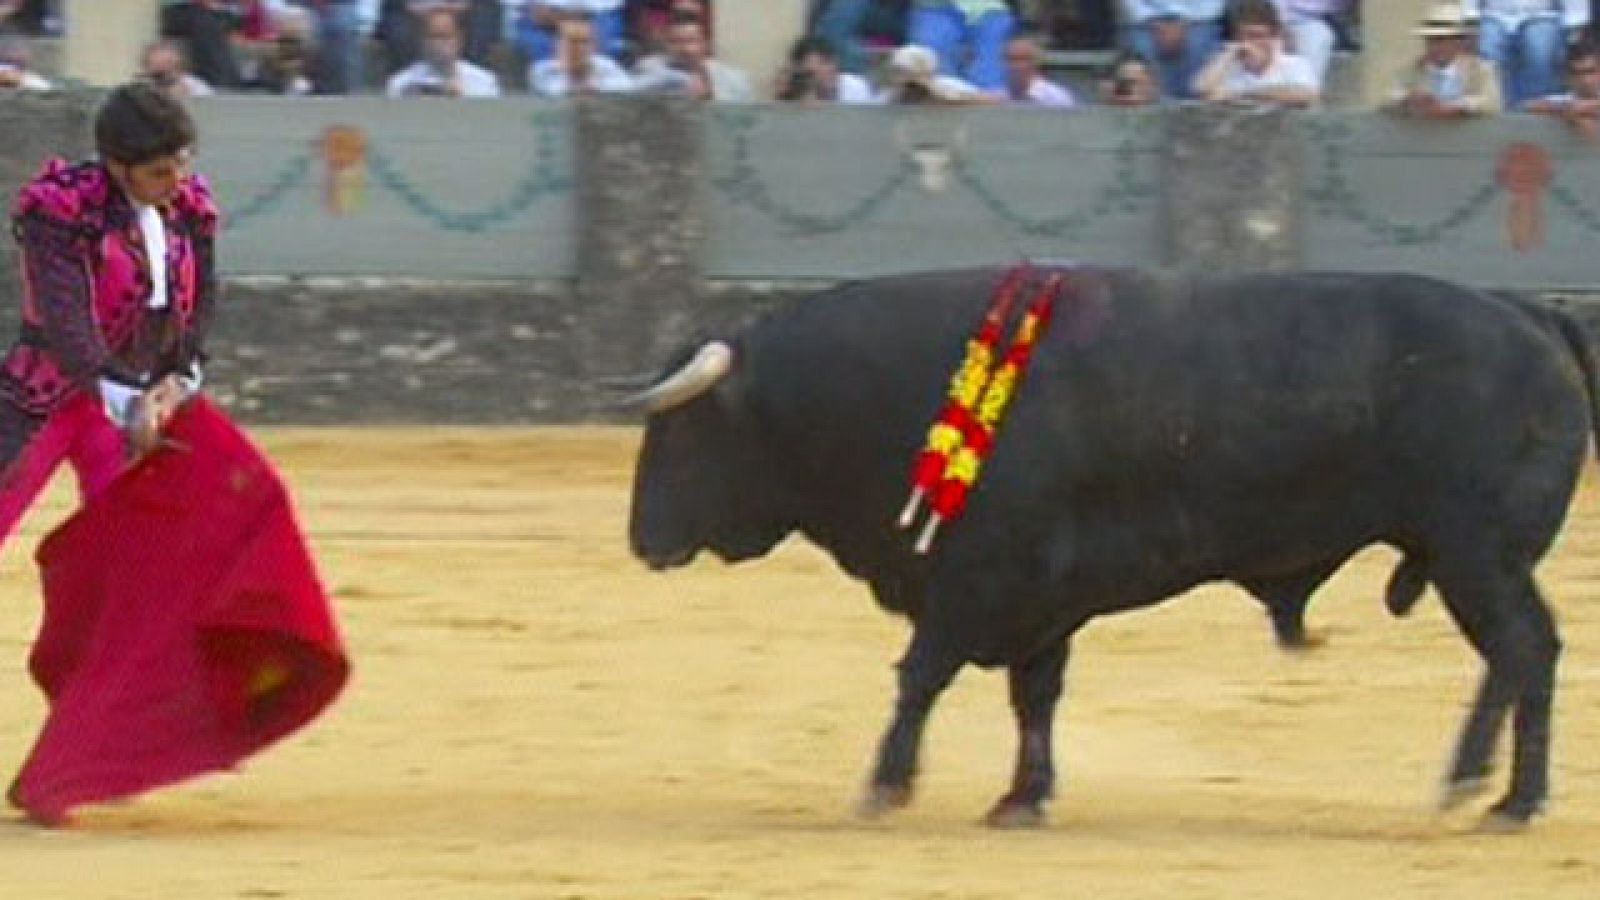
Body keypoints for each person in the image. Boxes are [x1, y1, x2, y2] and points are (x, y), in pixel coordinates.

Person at [1, 81, 215, 562]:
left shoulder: (188, 208)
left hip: (132, 402)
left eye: (181, 164)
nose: (176, 181)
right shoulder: (62, 209)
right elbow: (64, 317)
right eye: (160, 172)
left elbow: (201, 299)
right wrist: (129, 398)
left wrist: (180, 377)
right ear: (119, 167)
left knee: (134, 551)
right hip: (45, 397)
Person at [1464, 0, 1589, 109]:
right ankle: (1493, 114)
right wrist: (1469, 15)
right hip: (1492, 16)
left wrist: (1575, 23)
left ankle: (1537, 113)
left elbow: (1576, 12)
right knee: (1488, 51)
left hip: (1543, 15)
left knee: (1540, 49)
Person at [1192, 0, 1319, 106]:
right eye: (1244, 36)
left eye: (1257, 36)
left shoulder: (1295, 64)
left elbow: (1306, 95)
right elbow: (1202, 90)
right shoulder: (1227, 64)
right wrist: (1228, 55)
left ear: (1274, 36)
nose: (1250, 42)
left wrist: (1242, 93)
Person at [1389, 2, 1502, 119]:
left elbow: (1491, 104)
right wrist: (1408, 99)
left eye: (1441, 40)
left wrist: (1456, 107)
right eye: (1430, 40)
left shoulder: (1480, 70)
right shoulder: (1411, 70)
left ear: (1458, 42)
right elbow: (1388, 100)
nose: (1435, 47)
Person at [632, 13, 752, 101]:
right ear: (666, 45)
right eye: (676, 41)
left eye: (691, 41)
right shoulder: (649, 69)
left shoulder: (735, 79)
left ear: (705, 43)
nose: (684, 49)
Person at [1121, 0, 1226, 99]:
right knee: (1143, 47)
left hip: (1200, 19)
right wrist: (1152, 21)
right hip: (1145, 20)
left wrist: (1185, 21)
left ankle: (1195, 107)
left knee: (1198, 43)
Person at [386, 8, 502, 97]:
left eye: (446, 37)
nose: (440, 44)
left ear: (460, 39)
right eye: (434, 37)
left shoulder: (484, 82)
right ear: (422, 41)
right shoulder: (401, 83)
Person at [906, 0, 1016, 91]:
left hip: (988, 8)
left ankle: (992, 103)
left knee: (991, 68)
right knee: (931, 63)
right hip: (933, 7)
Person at [530, 12, 634, 96]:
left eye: (584, 41)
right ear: (558, 45)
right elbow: (549, 92)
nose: (578, 48)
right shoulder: (542, 71)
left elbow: (627, 87)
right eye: (572, 41)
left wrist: (597, 87)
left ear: (594, 46)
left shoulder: (607, 67)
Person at [1527, 34, 1600, 138]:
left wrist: (1587, 107)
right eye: (1576, 73)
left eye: (1590, 71)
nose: (1585, 80)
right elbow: (1528, 107)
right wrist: (1565, 110)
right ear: (1567, 77)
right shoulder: (1564, 100)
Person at [774, 34, 875, 104]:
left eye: (827, 63)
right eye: (811, 73)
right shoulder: (798, 93)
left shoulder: (855, 87)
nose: (824, 73)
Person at [992, 29, 1075, 106]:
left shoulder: (1057, 98)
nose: (1015, 66)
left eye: (1022, 59)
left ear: (1036, 62)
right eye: (1010, 59)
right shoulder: (999, 96)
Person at [140, 39, 217, 99]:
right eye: (156, 66)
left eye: (168, 63)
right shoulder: (142, 89)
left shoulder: (196, 87)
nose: (162, 68)